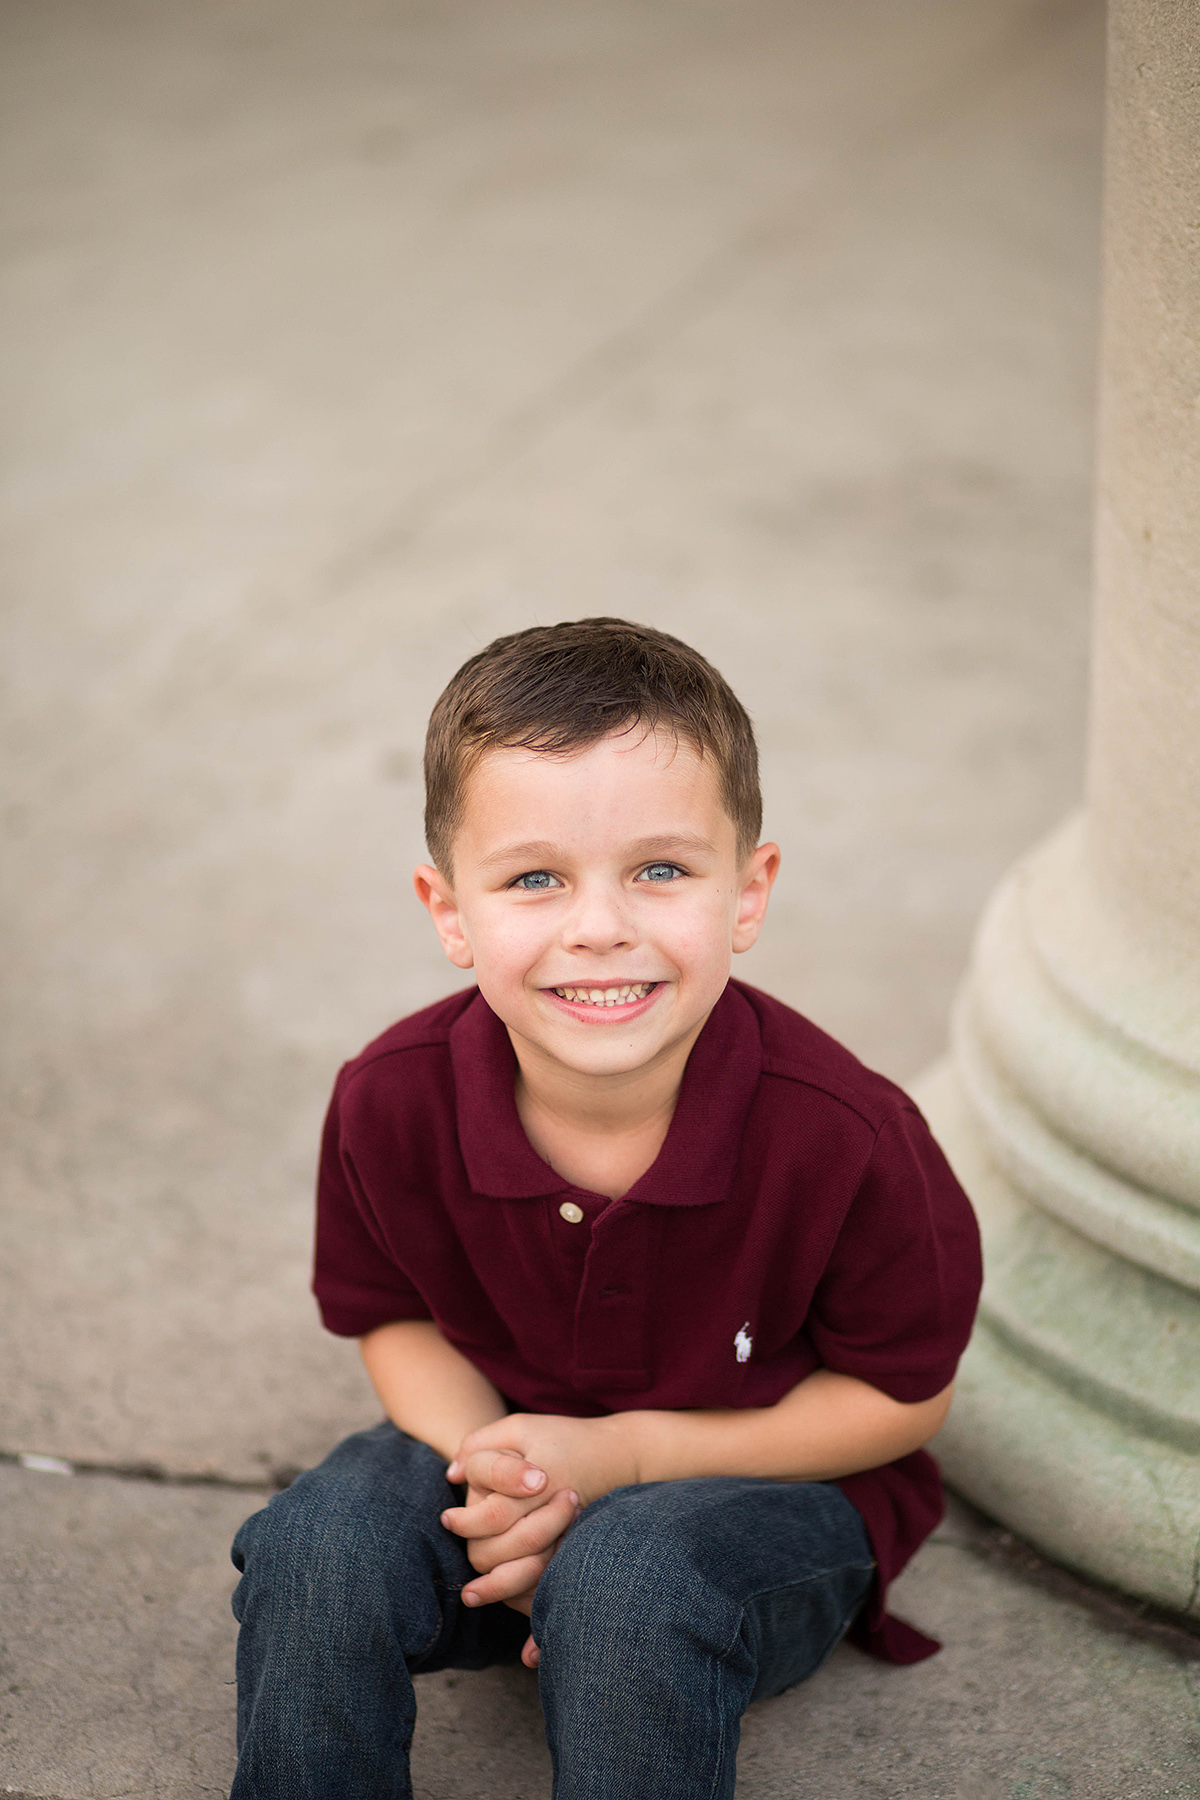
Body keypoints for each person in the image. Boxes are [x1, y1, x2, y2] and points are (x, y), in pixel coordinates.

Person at [229, 617, 982, 1799]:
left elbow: (903, 1395)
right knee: (316, 1548)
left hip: (764, 1495)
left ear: (749, 891)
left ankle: (606, 1604)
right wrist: (499, 1480)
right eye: (534, 877)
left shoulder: (845, 1137)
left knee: (627, 1579)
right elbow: (392, 1313)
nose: (599, 925)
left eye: (661, 870)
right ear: (448, 909)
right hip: (507, 1441)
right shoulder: (391, 1101)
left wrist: (622, 1457)